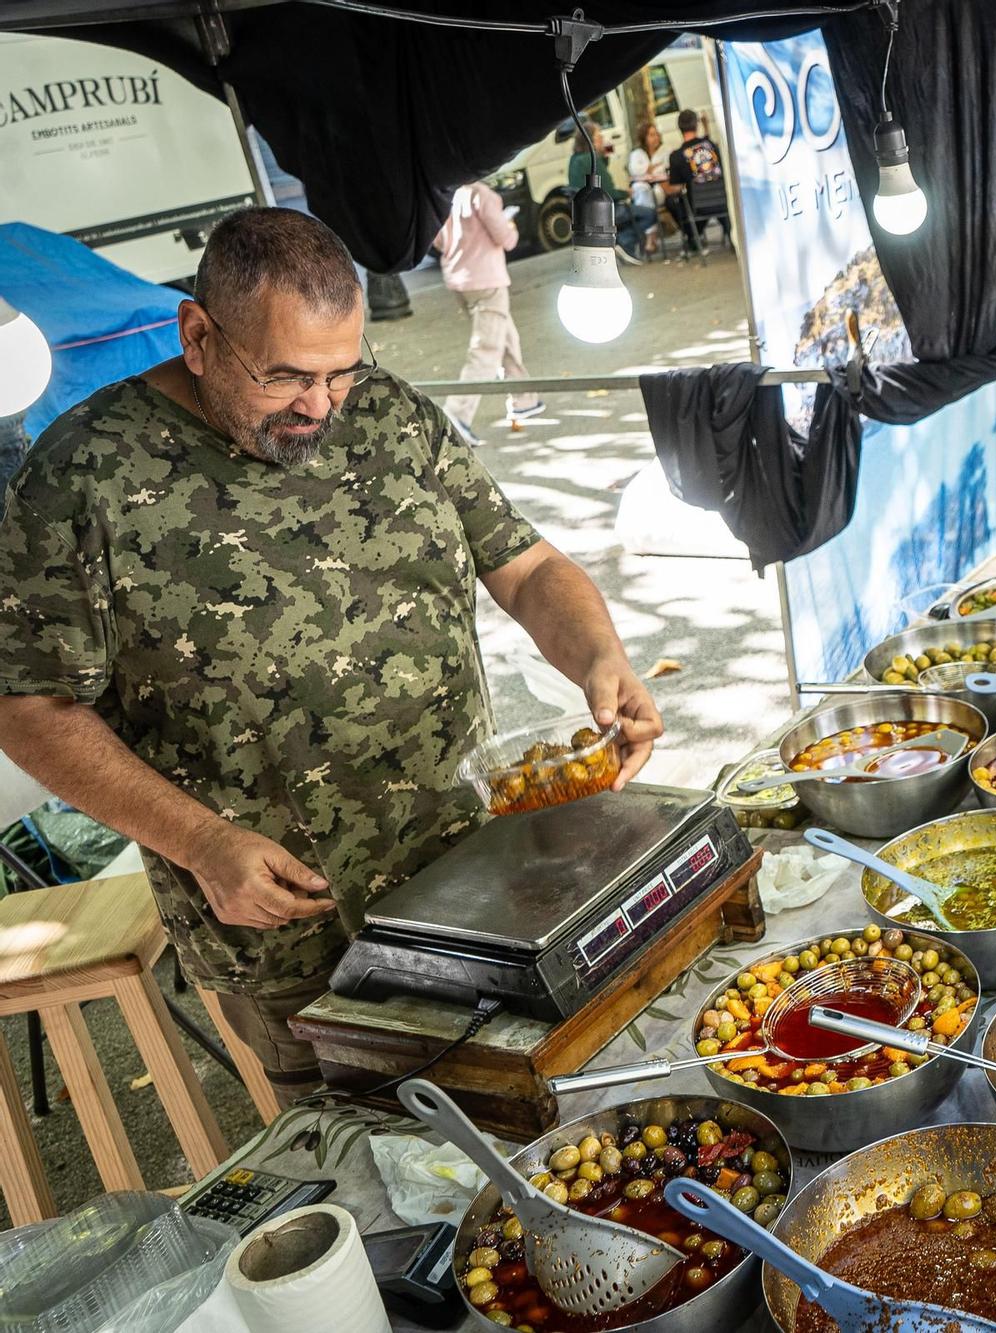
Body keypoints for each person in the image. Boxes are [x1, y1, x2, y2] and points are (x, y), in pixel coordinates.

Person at [0, 208, 664, 1106]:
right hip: (292, 931)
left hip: (481, 875)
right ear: (197, 334)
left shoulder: (388, 411)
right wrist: (198, 841)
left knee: (536, 1111)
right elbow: (30, 707)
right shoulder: (82, 477)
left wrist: (600, 657)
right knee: (372, 1163)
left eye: (339, 373)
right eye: (285, 377)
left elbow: (528, 563)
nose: (320, 405)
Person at [435, 180, 543, 441]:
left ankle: (524, 398)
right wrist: (511, 225)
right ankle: (457, 415)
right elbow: (507, 240)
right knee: (486, 350)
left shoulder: (445, 193)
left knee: (505, 338)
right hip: (488, 281)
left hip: (459, 280)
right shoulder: (482, 195)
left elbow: (437, 240)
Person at [566, 121, 651, 264]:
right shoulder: (591, 159)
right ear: (590, 140)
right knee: (649, 214)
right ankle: (624, 241)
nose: (602, 140)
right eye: (599, 137)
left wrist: (603, 157)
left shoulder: (575, 159)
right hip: (603, 212)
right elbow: (608, 192)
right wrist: (627, 193)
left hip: (585, 213)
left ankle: (621, 243)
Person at [661, 109, 731, 257]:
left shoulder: (677, 156)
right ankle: (729, 231)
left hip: (698, 208)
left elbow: (675, 187)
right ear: (696, 125)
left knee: (671, 201)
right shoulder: (712, 146)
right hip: (723, 202)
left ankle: (693, 236)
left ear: (679, 128)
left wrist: (662, 185)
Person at [627, 122, 669, 260]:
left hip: (659, 188)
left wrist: (647, 170)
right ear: (644, 137)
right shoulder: (636, 154)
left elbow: (664, 169)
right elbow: (635, 171)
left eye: (656, 134)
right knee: (643, 190)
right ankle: (652, 237)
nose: (655, 137)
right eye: (651, 135)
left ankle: (649, 238)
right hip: (641, 189)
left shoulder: (664, 151)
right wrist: (651, 168)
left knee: (651, 193)